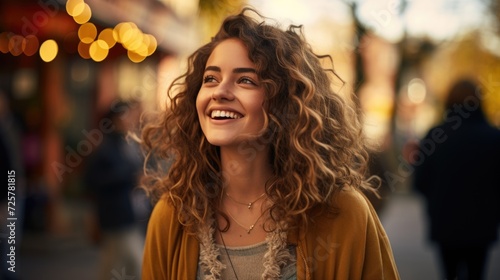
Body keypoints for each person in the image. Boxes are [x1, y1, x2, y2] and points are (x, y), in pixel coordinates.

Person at [141, 8, 399, 279]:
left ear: (284, 102)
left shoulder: (344, 213)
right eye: (211, 79)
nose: (220, 92)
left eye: (245, 80)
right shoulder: (173, 215)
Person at [414, 78, 500, 280]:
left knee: (449, 274)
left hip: (446, 224)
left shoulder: (435, 136)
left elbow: (420, 182)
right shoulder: (494, 138)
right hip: (482, 225)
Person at [84, 100, 145, 280]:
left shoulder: (129, 142)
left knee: (111, 265)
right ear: (115, 119)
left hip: (130, 213)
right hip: (117, 215)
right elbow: (93, 181)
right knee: (138, 264)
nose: (131, 119)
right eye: (125, 116)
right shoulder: (104, 146)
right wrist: (131, 177)